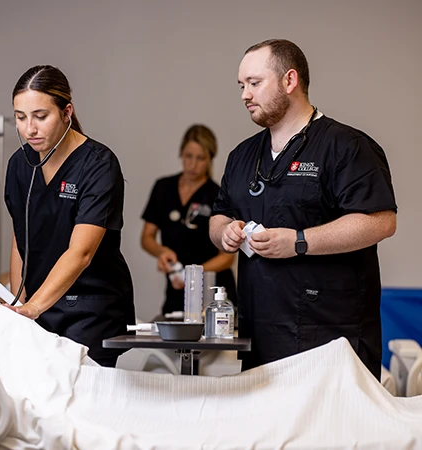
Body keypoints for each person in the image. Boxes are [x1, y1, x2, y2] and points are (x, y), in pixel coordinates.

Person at [209, 39, 397, 380]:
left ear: (289, 81)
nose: (244, 95)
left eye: (254, 83)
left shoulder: (347, 147)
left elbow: (380, 221)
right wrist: (224, 231)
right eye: (241, 86)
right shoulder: (242, 156)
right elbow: (219, 214)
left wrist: (299, 241)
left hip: (329, 334)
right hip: (261, 332)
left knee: (331, 430)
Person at [4, 65, 135, 367]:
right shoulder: (19, 165)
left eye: (40, 116)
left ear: (66, 112)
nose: (29, 130)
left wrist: (34, 306)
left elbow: (82, 252)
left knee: (79, 399)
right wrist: (20, 304)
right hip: (40, 306)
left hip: (91, 309)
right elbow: (19, 239)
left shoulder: (99, 165)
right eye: (20, 118)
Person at [141, 124, 236, 315]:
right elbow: (147, 237)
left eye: (200, 158)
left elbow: (227, 257)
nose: (193, 164)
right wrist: (162, 252)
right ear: (181, 154)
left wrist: (193, 275)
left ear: (210, 159)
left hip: (214, 293)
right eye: (188, 156)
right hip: (177, 288)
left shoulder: (217, 195)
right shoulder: (163, 188)